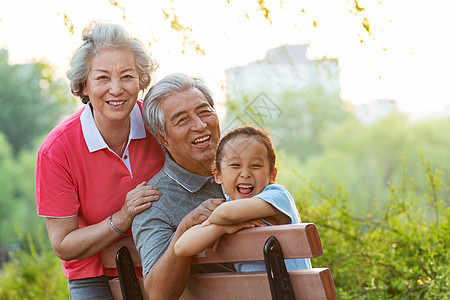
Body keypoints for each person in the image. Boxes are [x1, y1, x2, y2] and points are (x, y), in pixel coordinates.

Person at [35, 21, 165, 299]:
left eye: (127, 77)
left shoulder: (160, 124)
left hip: (163, 260)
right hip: (95, 274)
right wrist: (122, 217)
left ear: (141, 81)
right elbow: (64, 245)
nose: (116, 89)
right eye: (103, 78)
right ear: (84, 84)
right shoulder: (57, 150)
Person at [132, 73, 229, 299]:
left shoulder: (247, 172)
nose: (200, 124)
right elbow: (159, 293)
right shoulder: (154, 204)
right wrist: (184, 230)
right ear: (163, 139)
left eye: (204, 111)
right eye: (182, 120)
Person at [174, 126, 312, 272]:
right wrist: (222, 227)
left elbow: (225, 214)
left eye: (255, 166)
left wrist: (213, 223)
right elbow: (181, 247)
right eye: (235, 165)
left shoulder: (277, 196)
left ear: (272, 175)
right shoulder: (229, 212)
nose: (245, 173)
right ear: (218, 175)